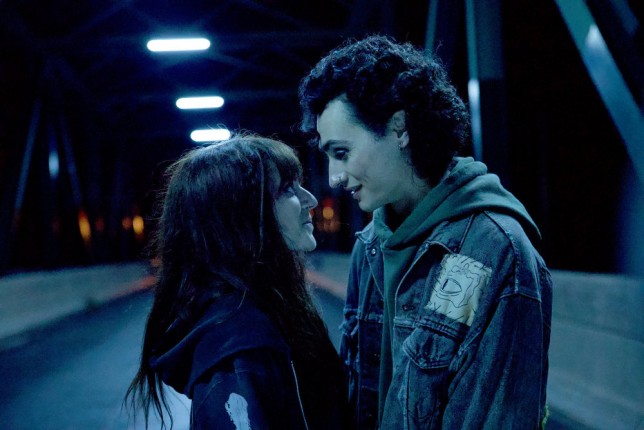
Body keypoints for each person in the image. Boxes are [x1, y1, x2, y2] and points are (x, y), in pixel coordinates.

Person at [299, 35, 553, 429]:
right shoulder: (370, 247)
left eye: (342, 152)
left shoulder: (493, 251)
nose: (334, 177)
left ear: (399, 127)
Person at [125, 135, 347, 429]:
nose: (311, 200)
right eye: (287, 189)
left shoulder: (270, 310)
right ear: (243, 216)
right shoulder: (241, 351)